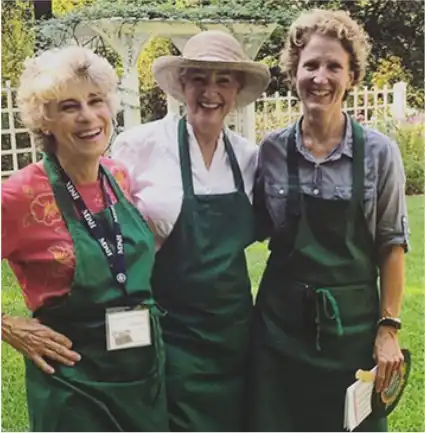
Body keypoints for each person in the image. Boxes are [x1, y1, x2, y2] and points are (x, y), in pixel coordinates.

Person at [249, 9, 408, 432]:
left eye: (334, 66)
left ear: (352, 76)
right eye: (311, 65)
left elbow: (392, 244)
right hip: (279, 329)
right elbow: (251, 227)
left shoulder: (380, 153)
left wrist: (388, 328)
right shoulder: (271, 151)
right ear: (293, 72)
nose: (321, 77)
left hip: (352, 333)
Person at [1, 46, 168, 432]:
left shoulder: (118, 176)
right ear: (45, 121)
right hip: (72, 382)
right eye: (68, 106)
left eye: (96, 101)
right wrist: (7, 327)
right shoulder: (19, 195)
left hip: (141, 374)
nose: (88, 116)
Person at [112, 30, 270, 431]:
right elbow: (110, 244)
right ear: (182, 86)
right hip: (170, 333)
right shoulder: (138, 146)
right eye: (199, 78)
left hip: (234, 334)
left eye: (223, 80)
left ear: (237, 89)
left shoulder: (250, 159)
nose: (210, 91)